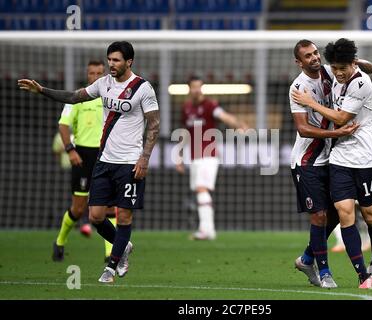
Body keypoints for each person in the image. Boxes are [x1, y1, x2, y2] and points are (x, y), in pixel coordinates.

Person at [18, 41, 160, 283]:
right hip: (104, 161)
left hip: (129, 163)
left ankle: (111, 268)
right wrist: (42, 90)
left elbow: (154, 125)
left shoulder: (143, 88)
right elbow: (74, 97)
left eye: (116, 60)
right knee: (95, 216)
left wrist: (144, 158)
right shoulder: (103, 84)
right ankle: (123, 246)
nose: (111, 64)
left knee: (124, 217)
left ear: (129, 62)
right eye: (109, 59)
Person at [292, 38, 372, 289]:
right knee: (340, 215)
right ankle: (358, 275)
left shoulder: (356, 81)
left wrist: (311, 103)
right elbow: (303, 128)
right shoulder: (311, 82)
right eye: (335, 68)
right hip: (332, 158)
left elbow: (343, 118)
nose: (338, 73)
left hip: (365, 158)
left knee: (369, 216)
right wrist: (349, 65)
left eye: (343, 67)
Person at [51, 60, 118, 263]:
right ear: (87, 74)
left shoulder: (111, 97)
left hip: (106, 156)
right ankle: (60, 241)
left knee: (109, 207)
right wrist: (70, 150)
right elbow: (63, 126)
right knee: (79, 209)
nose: (96, 76)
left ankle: (109, 252)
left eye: (100, 73)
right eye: (92, 73)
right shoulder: (78, 98)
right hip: (83, 157)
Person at [175, 76, 248, 240]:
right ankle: (209, 230)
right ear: (189, 89)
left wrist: (240, 125)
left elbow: (225, 117)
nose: (196, 90)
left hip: (209, 155)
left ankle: (205, 230)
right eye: (193, 87)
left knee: (201, 188)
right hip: (194, 156)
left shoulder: (210, 105)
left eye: (199, 87)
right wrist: (179, 156)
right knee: (200, 190)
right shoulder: (186, 108)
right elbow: (183, 133)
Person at [52, 130, 94, 239]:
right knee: (68, 200)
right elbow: (56, 152)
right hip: (65, 170)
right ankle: (61, 224)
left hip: (80, 170)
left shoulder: (85, 134)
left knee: (84, 198)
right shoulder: (59, 136)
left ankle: (85, 223)